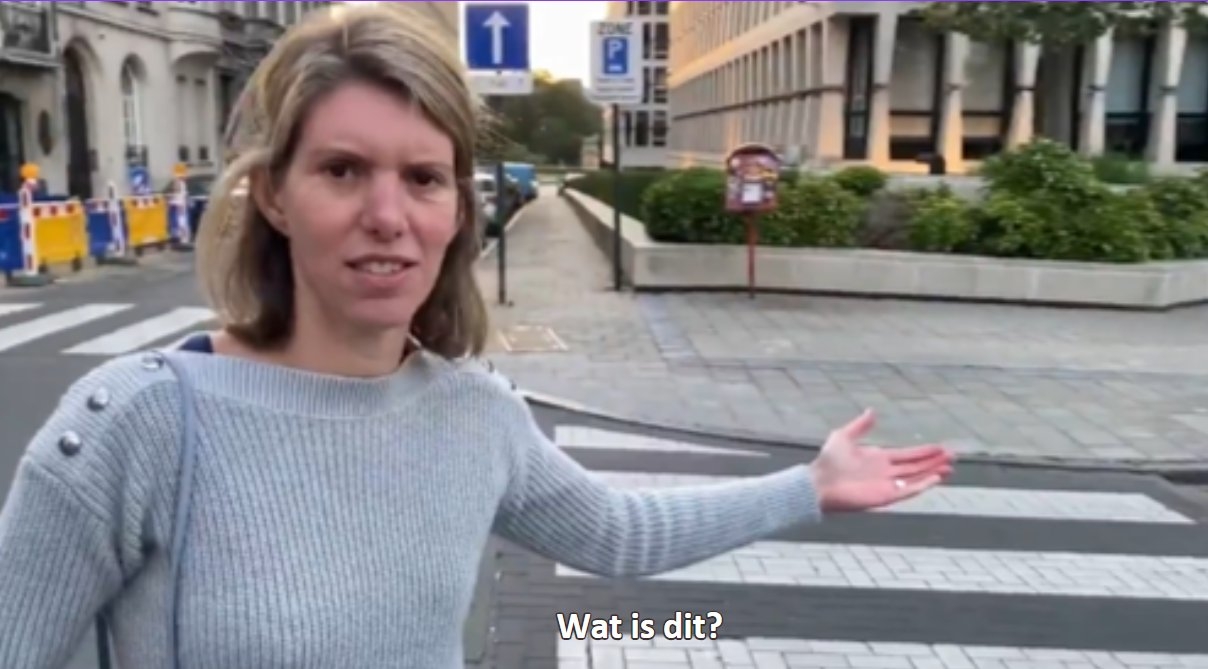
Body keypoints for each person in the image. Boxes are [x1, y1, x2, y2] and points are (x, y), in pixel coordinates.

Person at [0, 6, 954, 669]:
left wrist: (808, 486)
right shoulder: (135, 425)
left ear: (458, 208)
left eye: (423, 178)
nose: (388, 215)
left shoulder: (474, 413)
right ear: (276, 196)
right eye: (342, 170)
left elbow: (618, 532)